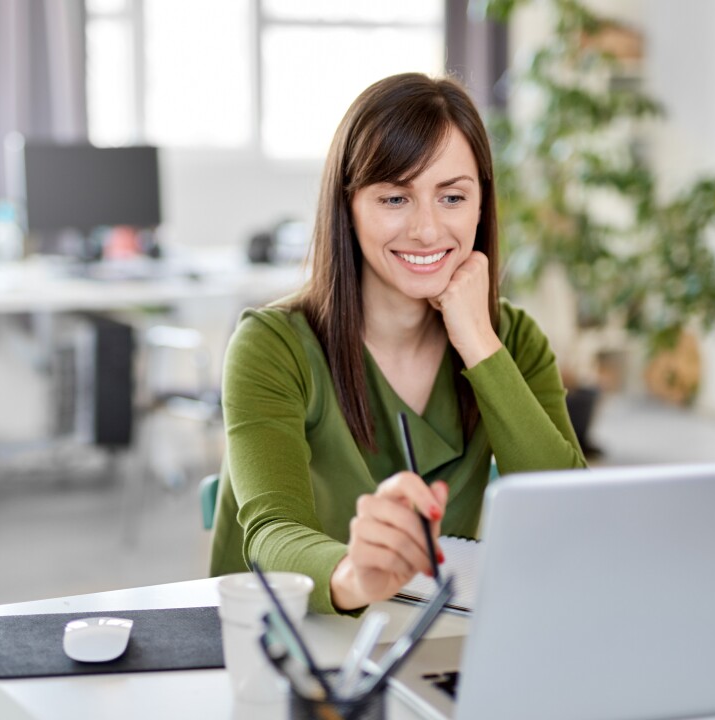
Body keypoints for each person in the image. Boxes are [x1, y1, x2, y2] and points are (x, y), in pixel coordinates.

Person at [209, 73, 587, 615]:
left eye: (452, 196)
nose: (428, 231)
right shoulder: (272, 347)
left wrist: (479, 341)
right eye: (394, 197)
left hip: (427, 635)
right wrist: (355, 575)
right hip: (285, 637)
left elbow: (569, 516)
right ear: (350, 205)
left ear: (481, 204)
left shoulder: (514, 340)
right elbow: (272, 534)